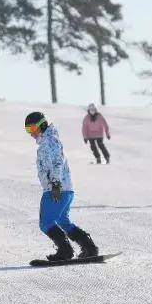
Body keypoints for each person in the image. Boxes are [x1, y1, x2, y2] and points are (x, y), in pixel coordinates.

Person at [25, 111, 98, 262]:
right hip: (65, 189)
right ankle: (89, 247)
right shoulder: (51, 140)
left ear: (42, 125)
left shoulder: (49, 142)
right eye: (28, 130)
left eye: (32, 129)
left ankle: (65, 251)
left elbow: (58, 162)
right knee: (63, 221)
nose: (31, 134)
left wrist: (55, 184)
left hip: (56, 189)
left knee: (46, 223)